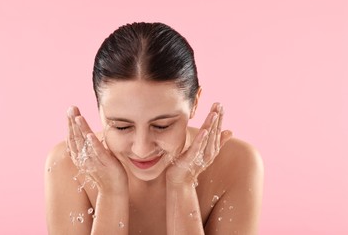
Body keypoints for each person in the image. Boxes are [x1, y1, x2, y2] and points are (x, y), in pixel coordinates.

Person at [45, 22, 264, 235]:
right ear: (99, 108)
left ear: (195, 103)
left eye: (162, 126)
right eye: (121, 127)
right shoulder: (68, 165)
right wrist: (111, 193)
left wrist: (182, 186)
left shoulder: (236, 163)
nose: (142, 149)